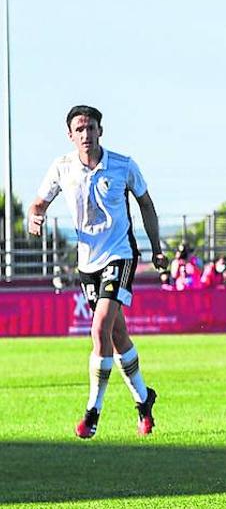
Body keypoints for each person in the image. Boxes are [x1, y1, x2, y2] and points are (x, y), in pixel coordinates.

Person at [27, 105, 166, 439]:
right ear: (70, 135)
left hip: (120, 254)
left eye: (91, 128)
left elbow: (146, 204)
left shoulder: (122, 166)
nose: (86, 134)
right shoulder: (62, 168)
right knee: (117, 336)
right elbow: (38, 203)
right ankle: (144, 400)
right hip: (86, 262)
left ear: (100, 131)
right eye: (79, 129)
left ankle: (93, 411)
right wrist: (34, 216)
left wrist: (157, 248)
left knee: (100, 326)